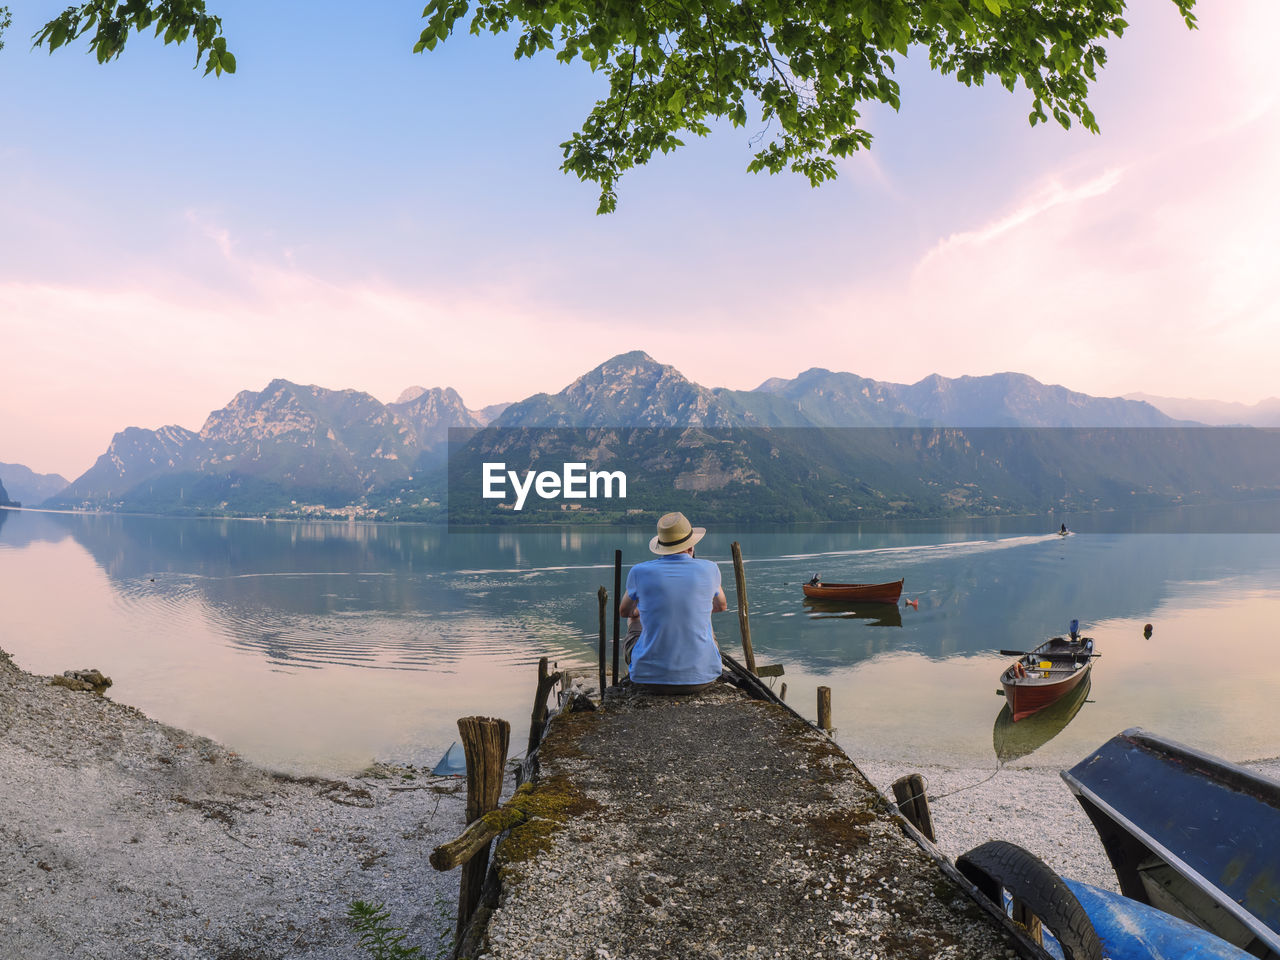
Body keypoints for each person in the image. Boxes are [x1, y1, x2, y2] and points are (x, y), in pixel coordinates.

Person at [619, 512, 728, 693]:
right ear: (691, 546)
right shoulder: (710, 568)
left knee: (634, 620)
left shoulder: (639, 571)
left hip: (649, 680)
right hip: (703, 679)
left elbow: (624, 612)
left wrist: (644, 612)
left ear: (661, 547)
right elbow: (721, 606)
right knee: (704, 616)